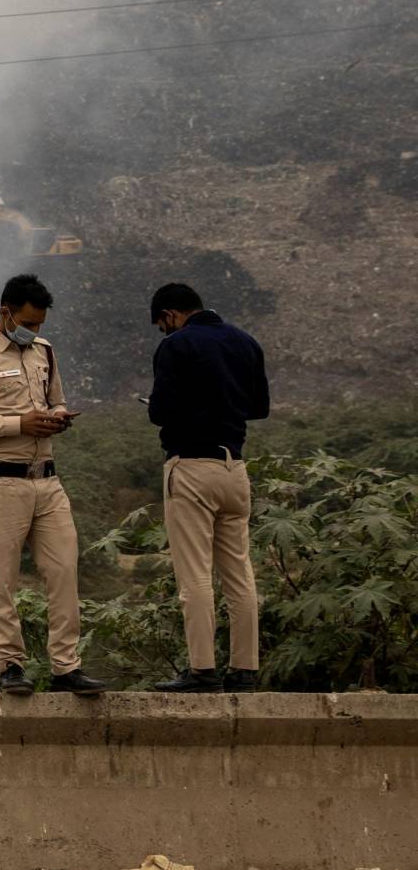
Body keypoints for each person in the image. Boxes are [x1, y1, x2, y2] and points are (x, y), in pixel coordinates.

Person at [0, 274, 108, 696]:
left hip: (48, 480)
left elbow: (55, 399)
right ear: (5, 312)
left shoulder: (45, 353)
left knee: (63, 572)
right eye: (29, 322)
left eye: (39, 324)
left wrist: (57, 417)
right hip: (3, 481)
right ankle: (11, 665)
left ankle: (66, 667)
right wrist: (18, 423)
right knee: (3, 580)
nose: (35, 331)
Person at [145, 284, 270, 694]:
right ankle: (245, 669)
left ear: (171, 314)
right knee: (239, 573)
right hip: (235, 467)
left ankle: (202, 670)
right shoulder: (245, 342)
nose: (164, 332)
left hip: (192, 466)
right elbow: (259, 407)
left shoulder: (176, 347)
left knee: (195, 574)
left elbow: (159, 411)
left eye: (162, 325)